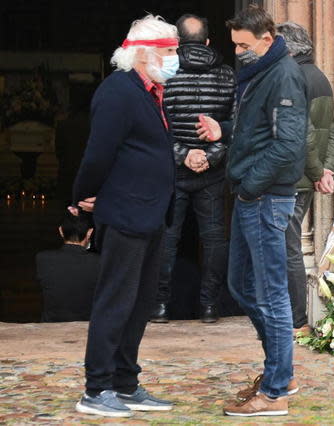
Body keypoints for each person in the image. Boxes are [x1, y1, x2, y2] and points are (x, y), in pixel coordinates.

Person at [197, 5, 306, 416]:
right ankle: (282, 371)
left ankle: (276, 389)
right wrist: (224, 132)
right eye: (235, 45)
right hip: (252, 194)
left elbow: (287, 146)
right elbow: (257, 129)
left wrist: (251, 186)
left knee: (272, 294)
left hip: (264, 197)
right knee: (241, 286)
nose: (239, 52)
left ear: (267, 37)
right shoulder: (260, 70)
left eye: (244, 45)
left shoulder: (284, 75)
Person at [69, 14, 179, 417]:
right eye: (169, 53)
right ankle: (96, 389)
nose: (174, 61)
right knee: (116, 302)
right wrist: (82, 195)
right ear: (145, 55)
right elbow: (98, 152)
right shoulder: (119, 91)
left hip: (150, 213)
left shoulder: (150, 91)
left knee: (139, 302)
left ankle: (125, 382)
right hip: (127, 211)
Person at [152, 13, 235, 324]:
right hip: (212, 173)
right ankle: (210, 306)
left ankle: (160, 306)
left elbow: (155, 126)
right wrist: (210, 156)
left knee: (167, 239)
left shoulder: (165, 74)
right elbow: (235, 124)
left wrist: (183, 154)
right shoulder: (228, 75)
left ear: (177, 42)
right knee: (214, 239)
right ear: (209, 41)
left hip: (173, 170)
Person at [275, 21, 334, 336]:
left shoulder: (293, 77)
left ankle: (296, 320)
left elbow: (305, 133)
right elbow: (333, 133)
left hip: (292, 175)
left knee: (286, 248)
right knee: (288, 245)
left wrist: (317, 171)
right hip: (307, 176)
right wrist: (328, 169)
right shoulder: (319, 78)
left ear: (287, 49)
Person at [36, 211, 99, 322]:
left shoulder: (43, 259)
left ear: (61, 231)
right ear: (90, 232)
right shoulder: (100, 262)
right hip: (87, 328)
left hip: (51, 327)